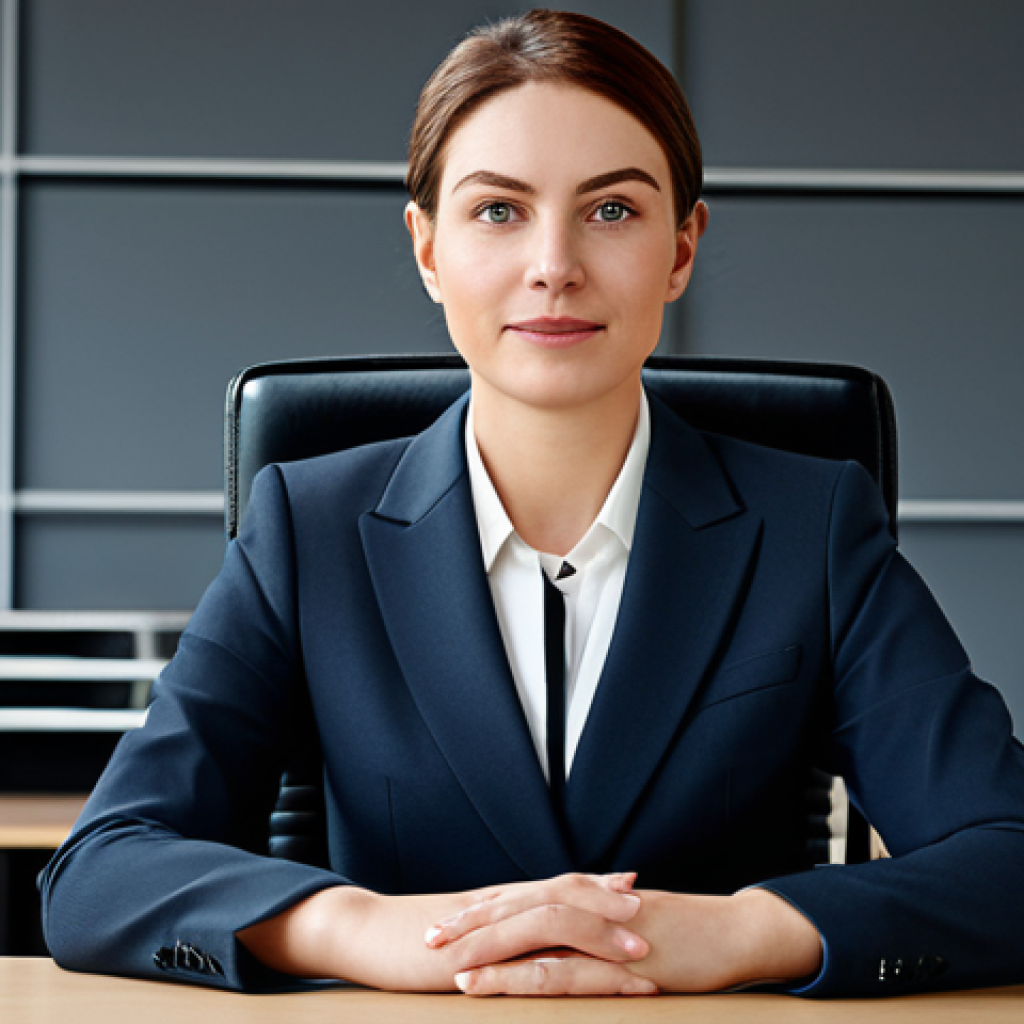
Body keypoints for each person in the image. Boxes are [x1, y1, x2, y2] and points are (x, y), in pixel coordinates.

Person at [40, 10, 1024, 998]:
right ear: (428, 250)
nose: (554, 264)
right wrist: (361, 928)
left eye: (612, 210)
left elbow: (1008, 852)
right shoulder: (310, 528)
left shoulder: (810, 526)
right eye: (498, 211)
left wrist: (744, 931)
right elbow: (100, 872)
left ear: (682, 249)